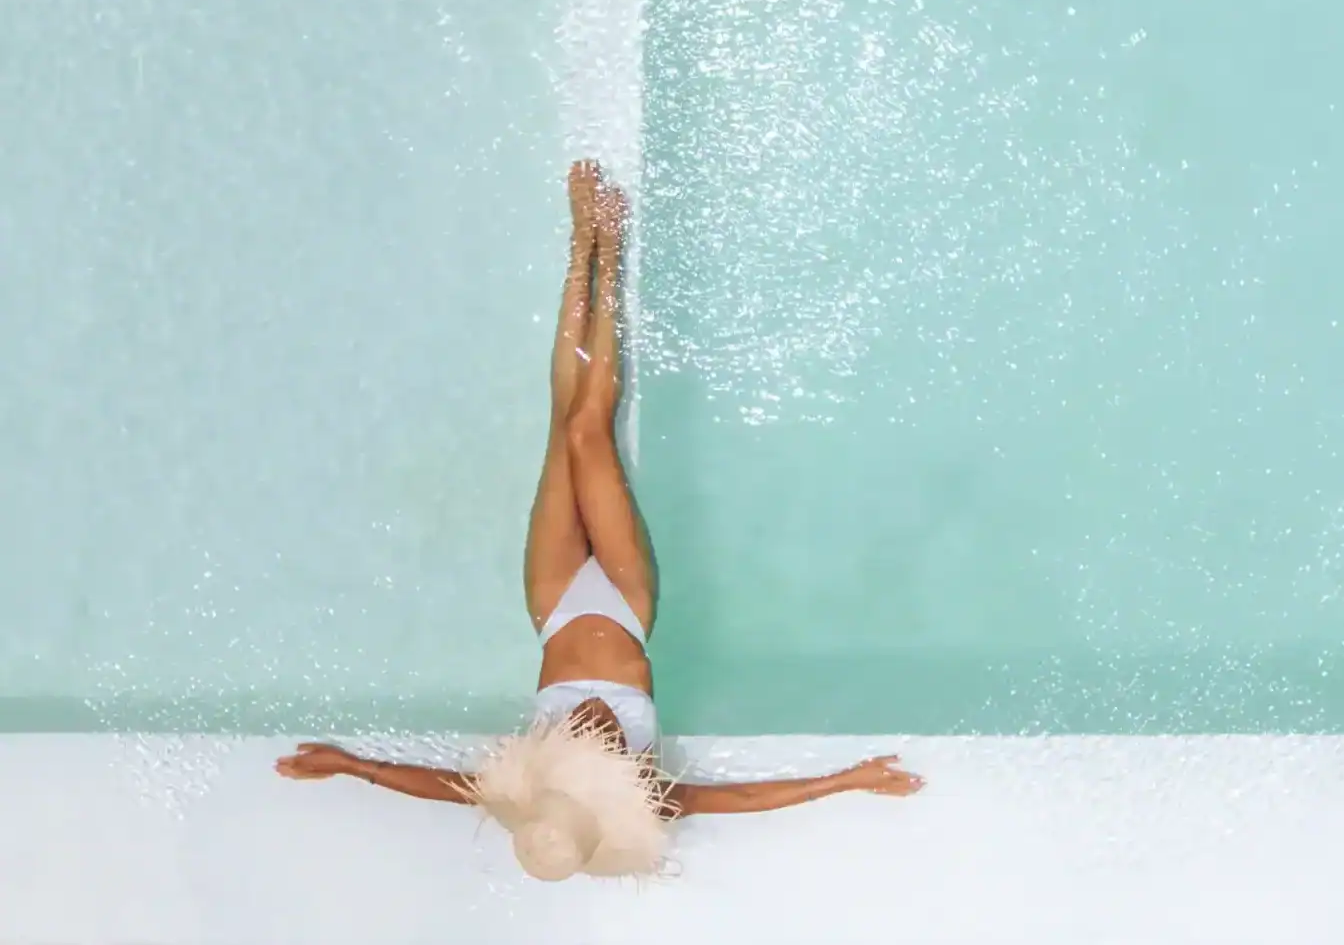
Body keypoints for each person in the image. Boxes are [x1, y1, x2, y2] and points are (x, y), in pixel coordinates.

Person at [276, 161, 923, 880]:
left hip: (552, 607)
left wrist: (348, 765)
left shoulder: (529, 798)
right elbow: (741, 796)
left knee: (560, 427)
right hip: (621, 600)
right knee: (591, 427)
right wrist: (845, 780)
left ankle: (579, 242)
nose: (580, 745)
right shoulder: (645, 794)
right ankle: (608, 254)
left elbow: (434, 786)